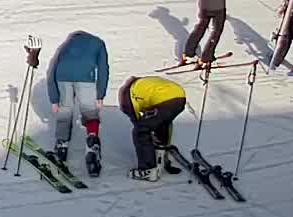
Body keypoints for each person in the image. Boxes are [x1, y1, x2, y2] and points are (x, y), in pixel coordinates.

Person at [48, 30, 109, 176]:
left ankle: (61, 145)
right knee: (89, 110)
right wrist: (100, 94)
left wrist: (54, 98)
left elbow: (52, 69)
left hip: (62, 75)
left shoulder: (67, 44)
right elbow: (103, 70)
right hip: (85, 77)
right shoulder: (99, 43)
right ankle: (92, 141)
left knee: (66, 109)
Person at [119, 75, 188, 182]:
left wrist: (147, 132)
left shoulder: (127, 98)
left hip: (166, 100)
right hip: (180, 97)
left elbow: (138, 123)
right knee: (162, 123)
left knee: (140, 132)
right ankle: (160, 159)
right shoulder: (141, 86)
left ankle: (148, 170)